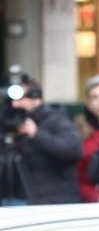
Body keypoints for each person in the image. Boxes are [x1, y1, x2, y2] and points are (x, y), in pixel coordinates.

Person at [0, 71, 81, 205]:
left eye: (20, 98)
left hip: (52, 202)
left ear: (36, 99)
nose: (15, 104)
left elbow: (74, 150)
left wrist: (36, 134)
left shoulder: (56, 119)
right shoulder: (6, 121)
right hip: (14, 200)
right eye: (12, 100)